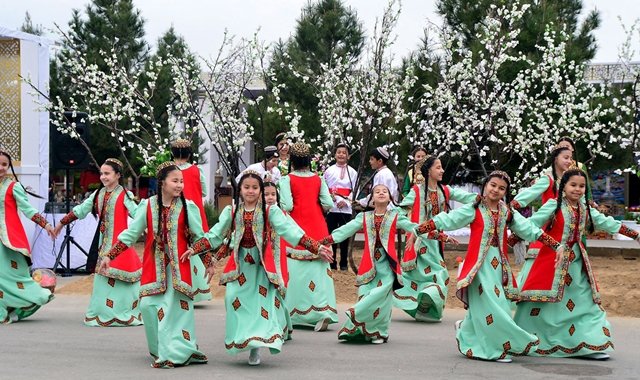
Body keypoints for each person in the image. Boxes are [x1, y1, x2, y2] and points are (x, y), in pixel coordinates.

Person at [416, 170, 563, 362]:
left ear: (505, 192)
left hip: (498, 267)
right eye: (493, 185)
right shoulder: (474, 208)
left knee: (496, 304)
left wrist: (555, 244)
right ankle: (495, 348)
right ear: (485, 185)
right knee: (493, 306)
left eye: (502, 188)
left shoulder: (506, 212)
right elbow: (449, 219)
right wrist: (420, 228)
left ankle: (467, 330)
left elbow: (528, 229)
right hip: (478, 267)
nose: (496, 190)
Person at [202, 171, 332, 365]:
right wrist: (200, 251)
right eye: (246, 187)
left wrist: (316, 247)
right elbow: (218, 235)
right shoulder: (232, 211)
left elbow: (292, 232)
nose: (251, 191)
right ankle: (244, 338)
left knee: (261, 305)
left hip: (262, 266)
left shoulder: (270, 212)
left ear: (261, 191)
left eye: (255, 188)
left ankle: (256, 346)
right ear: (240, 190)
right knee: (232, 298)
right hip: (240, 266)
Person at [514, 167, 640, 360]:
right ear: (563, 187)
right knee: (544, 306)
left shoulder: (585, 208)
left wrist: (635, 235)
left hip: (577, 264)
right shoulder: (553, 206)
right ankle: (529, 339)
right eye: (573, 185)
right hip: (552, 261)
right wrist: (510, 240)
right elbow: (532, 223)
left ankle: (589, 344)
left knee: (586, 304)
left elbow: (608, 223)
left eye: (582, 186)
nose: (577, 189)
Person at [100, 162, 213, 368]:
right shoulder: (148, 206)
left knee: (174, 310)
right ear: (162, 182)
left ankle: (175, 352)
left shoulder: (188, 207)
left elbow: (198, 237)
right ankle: (159, 348)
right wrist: (110, 255)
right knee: (147, 306)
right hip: (154, 268)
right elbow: (132, 234)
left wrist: (208, 263)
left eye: (181, 181)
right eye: (175, 181)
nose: (179, 185)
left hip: (180, 268)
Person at [322, 184, 425, 343]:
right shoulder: (364, 217)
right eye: (377, 192)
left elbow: (415, 227)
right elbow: (345, 230)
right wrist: (326, 241)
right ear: (371, 199)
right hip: (368, 266)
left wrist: (437, 234)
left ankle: (379, 332)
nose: (381, 193)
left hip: (387, 266)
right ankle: (359, 330)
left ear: (391, 198)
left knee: (382, 300)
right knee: (365, 295)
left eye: (385, 191)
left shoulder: (395, 216)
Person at [55, 158, 142, 327]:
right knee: (104, 280)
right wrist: (61, 223)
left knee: (123, 280)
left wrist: (148, 225)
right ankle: (104, 313)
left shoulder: (124, 194)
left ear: (117, 175)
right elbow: (80, 210)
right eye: (101, 173)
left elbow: (137, 214)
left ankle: (124, 313)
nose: (103, 177)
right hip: (103, 245)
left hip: (120, 245)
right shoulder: (98, 194)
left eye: (107, 173)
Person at [394, 155, 477, 322]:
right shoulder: (416, 191)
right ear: (429, 171)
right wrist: (415, 229)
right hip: (421, 243)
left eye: (441, 167)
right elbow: (398, 214)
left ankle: (424, 307)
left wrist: (485, 199)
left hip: (436, 244)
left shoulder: (444, 191)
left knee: (430, 276)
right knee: (440, 274)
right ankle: (424, 306)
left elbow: (467, 197)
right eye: (438, 167)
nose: (442, 171)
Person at [279, 141, 338, 332]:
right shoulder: (318, 179)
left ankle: (293, 313)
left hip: (296, 227)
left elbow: (286, 206)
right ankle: (323, 312)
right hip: (318, 225)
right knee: (320, 273)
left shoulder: (286, 179)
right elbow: (328, 203)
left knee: (295, 272)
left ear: (292, 160)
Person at [0, 150, 57, 324]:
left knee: (14, 278)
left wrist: (46, 224)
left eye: (4, 164)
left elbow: (28, 210)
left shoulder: (13, 186)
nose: (1, 167)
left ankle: (37, 296)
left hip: (7, 241)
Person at [510, 145, 573, 279]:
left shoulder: (569, 180)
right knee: (538, 267)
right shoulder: (548, 179)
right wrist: (511, 207)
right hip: (548, 225)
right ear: (556, 159)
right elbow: (530, 194)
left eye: (570, 158)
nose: (569, 161)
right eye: (565, 157)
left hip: (565, 228)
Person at [171, 138, 212, 303]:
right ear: (189, 154)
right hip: (194, 213)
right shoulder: (197, 170)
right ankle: (198, 290)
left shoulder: (169, 171)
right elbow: (203, 191)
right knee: (195, 248)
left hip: (175, 213)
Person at [323, 143, 357, 271]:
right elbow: (324, 188)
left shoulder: (352, 172)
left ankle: (343, 263)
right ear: (335, 155)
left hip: (346, 208)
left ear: (348, 156)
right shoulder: (329, 171)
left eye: (344, 152)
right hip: (332, 207)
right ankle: (331, 262)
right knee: (331, 235)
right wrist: (330, 199)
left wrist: (347, 202)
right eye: (339, 152)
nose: (341, 154)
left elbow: (355, 189)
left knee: (344, 235)